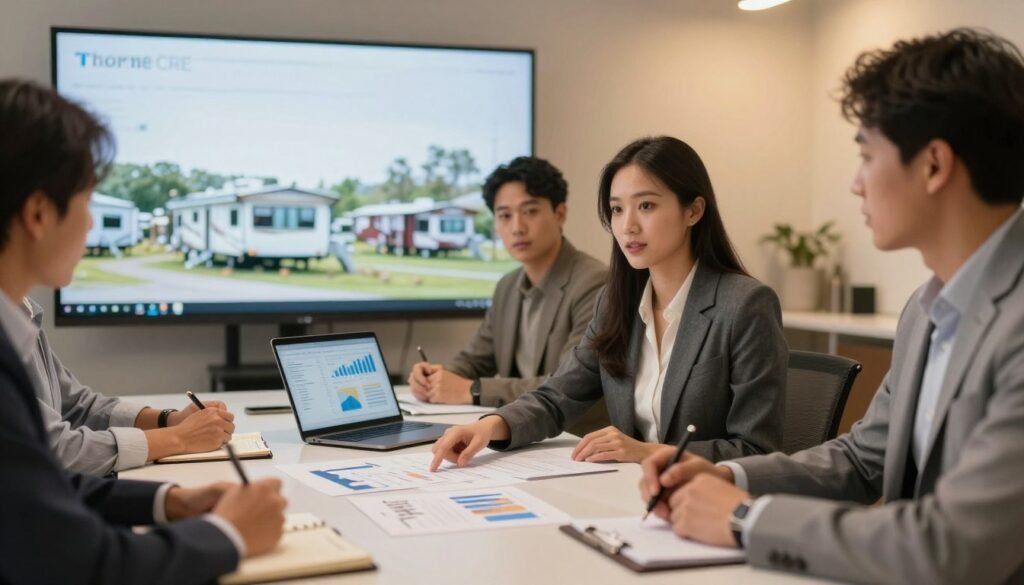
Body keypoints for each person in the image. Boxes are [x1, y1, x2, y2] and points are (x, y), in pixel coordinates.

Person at [638, 29, 1024, 585]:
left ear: (934, 165)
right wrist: (727, 476)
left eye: (866, 156)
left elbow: (953, 545)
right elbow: (863, 459)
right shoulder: (926, 309)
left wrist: (746, 519)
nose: (856, 184)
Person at [0, 78, 286, 584]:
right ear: (40, 213)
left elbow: (41, 479)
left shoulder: (15, 312)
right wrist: (229, 535)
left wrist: (169, 500)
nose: (91, 225)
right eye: (88, 201)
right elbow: (85, 565)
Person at [430, 136, 787, 469]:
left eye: (645, 205)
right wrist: (489, 427)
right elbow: (557, 396)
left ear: (693, 211)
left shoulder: (745, 305)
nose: (628, 225)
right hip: (626, 492)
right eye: (617, 209)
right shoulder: (617, 302)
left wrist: (646, 453)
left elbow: (756, 451)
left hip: (702, 504)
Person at [408, 156, 609, 434]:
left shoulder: (595, 283)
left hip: (574, 440)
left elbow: (566, 384)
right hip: (521, 436)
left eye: (530, 211)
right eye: (504, 216)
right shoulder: (507, 286)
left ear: (560, 213)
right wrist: (436, 376)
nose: (517, 227)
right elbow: (476, 358)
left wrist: (472, 390)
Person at [29, 299, 237, 475]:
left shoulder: (24, 313)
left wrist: (171, 420)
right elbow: (53, 450)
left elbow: (78, 407)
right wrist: (180, 437)